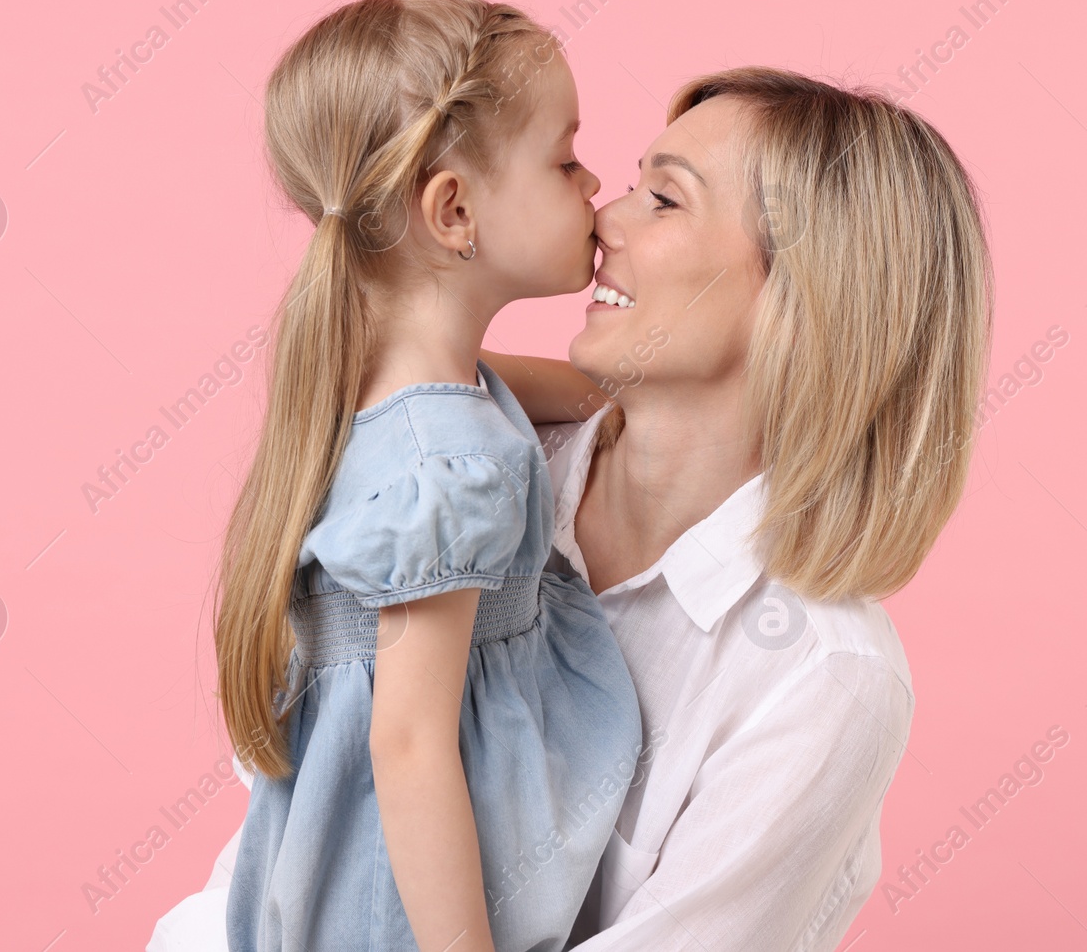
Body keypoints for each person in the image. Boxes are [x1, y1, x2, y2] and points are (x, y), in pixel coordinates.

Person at [154, 61, 993, 951]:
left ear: (805, 297)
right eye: (626, 181)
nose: (603, 218)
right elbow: (293, 842)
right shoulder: (460, 482)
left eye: (663, 200)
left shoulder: (820, 677)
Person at [212, 0, 642, 952]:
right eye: (565, 157)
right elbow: (408, 748)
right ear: (453, 210)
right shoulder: (451, 468)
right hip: (400, 915)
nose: (595, 182)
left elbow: (575, 387)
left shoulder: (384, 390)